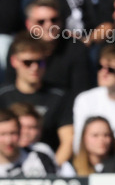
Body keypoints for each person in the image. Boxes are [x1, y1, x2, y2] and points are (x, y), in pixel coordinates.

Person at [0, 33, 74, 165]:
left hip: (48, 167)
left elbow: (68, 140)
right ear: (14, 61)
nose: (34, 67)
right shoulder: (2, 95)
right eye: (27, 62)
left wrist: (49, 172)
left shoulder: (59, 97)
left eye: (39, 62)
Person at [0, 107, 55, 177]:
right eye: (2, 134)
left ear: (20, 132)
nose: (8, 141)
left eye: (13, 133)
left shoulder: (40, 154)